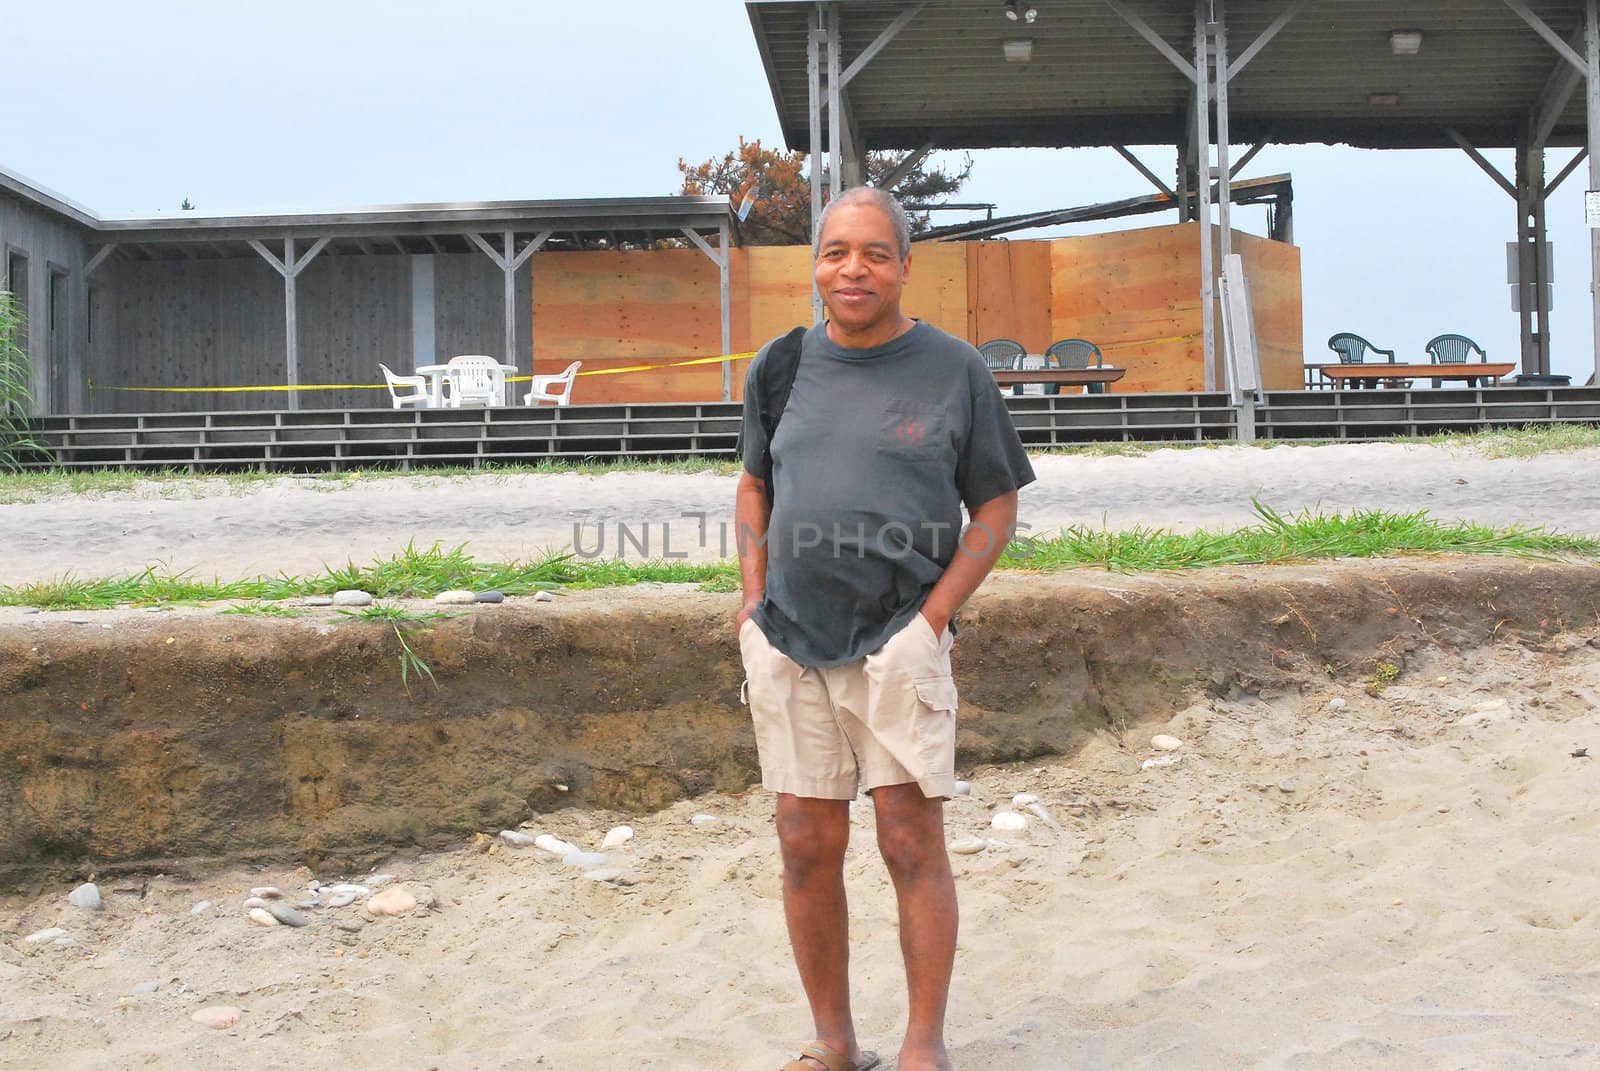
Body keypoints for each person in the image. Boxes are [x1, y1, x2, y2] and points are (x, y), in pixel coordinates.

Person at [734, 186, 1035, 1071]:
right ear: (816, 265)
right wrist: (751, 600)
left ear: (906, 265)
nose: (852, 269)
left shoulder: (953, 370)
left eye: (873, 252)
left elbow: (995, 503)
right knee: (803, 842)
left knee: (909, 838)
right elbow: (755, 481)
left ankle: (921, 1045)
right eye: (835, 252)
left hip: (900, 637)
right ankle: (834, 1041)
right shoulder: (781, 366)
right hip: (789, 636)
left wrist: (933, 621)